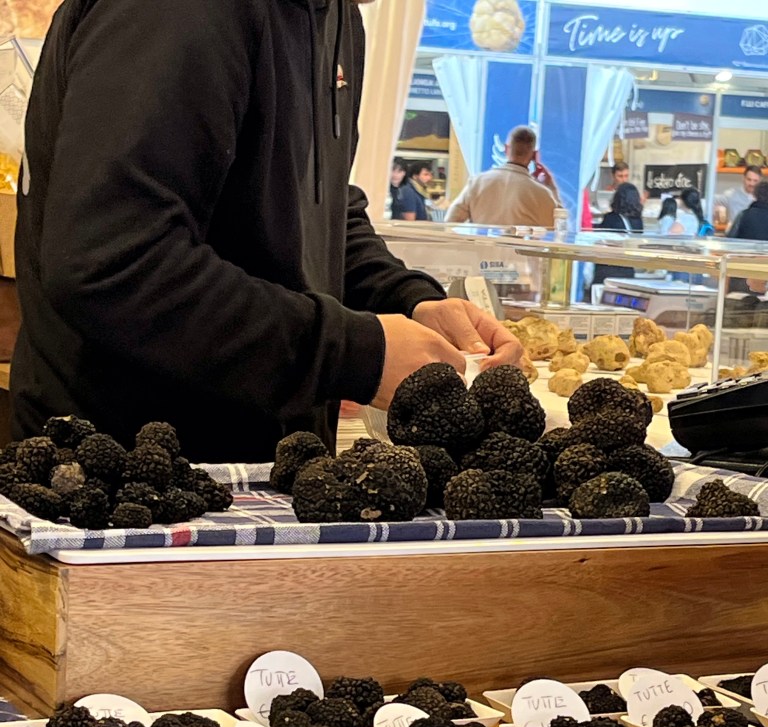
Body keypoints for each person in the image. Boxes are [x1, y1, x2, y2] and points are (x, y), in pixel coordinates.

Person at [11, 0, 523, 463]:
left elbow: (318, 207)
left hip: (251, 477)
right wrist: (354, 352)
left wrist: (407, 300)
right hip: (126, 479)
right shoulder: (176, 12)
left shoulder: (339, 17)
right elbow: (113, 264)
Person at [445, 126, 556, 228]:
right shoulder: (542, 195)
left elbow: (450, 222)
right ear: (534, 155)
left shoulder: (477, 183)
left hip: (482, 243)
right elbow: (556, 228)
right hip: (518, 244)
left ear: (506, 149)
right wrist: (551, 188)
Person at [590, 183, 643, 300]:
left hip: (608, 269)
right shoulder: (638, 221)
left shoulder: (610, 218)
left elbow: (601, 242)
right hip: (628, 269)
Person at [715, 165, 764, 229]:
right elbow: (711, 200)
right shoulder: (731, 194)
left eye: (755, 181)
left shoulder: (764, 198)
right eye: (749, 179)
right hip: (735, 233)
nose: (752, 184)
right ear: (743, 178)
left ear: (760, 181)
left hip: (756, 233)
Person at [390, 157, 422, 222]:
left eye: (399, 171)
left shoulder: (406, 191)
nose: (395, 175)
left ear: (404, 173)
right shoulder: (389, 189)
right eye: (392, 170)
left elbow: (409, 221)